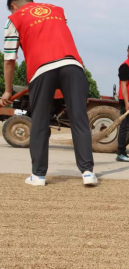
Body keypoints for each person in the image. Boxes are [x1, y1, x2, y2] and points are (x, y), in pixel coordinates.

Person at [0, 0, 97, 186]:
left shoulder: (13, 19)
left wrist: (7, 91)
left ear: (13, 5)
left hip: (41, 68)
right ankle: (87, 172)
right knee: (79, 118)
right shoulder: (57, 10)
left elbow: (9, 60)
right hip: (73, 65)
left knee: (40, 120)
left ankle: (38, 175)